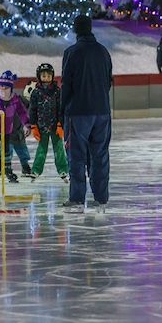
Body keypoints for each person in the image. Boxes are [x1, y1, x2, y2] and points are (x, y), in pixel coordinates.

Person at [61, 15, 113, 213]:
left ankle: (76, 198)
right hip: (102, 112)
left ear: (75, 30)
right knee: (100, 155)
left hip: (78, 112)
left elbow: (67, 84)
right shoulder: (103, 52)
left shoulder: (71, 52)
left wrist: (63, 110)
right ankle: (101, 197)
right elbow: (108, 81)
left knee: (76, 155)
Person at [24, 63, 68, 181]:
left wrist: (60, 124)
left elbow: (61, 109)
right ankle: (36, 170)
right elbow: (32, 110)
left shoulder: (57, 92)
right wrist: (33, 125)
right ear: (39, 77)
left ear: (52, 77)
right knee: (41, 149)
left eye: (49, 76)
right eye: (44, 76)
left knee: (59, 148)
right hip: (41, 126)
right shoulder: (35, 93)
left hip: (55, 126)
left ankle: (63, 169)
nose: (46, 79)